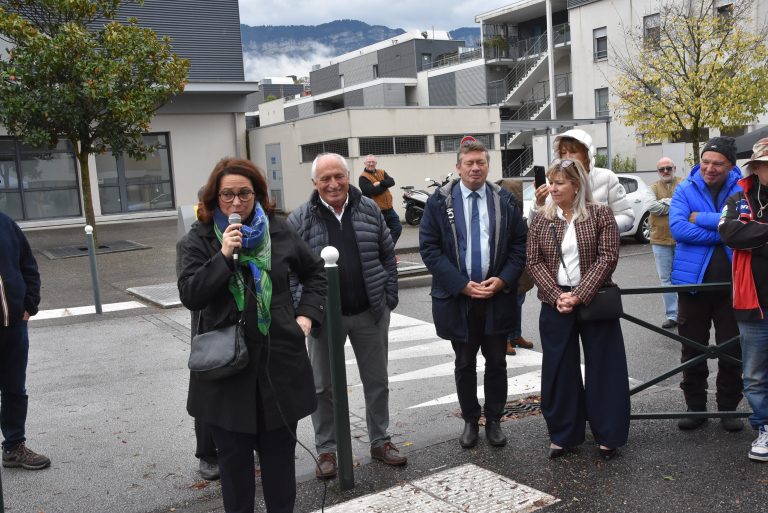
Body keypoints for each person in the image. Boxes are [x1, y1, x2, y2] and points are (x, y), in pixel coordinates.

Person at [178, 158, 326, 513]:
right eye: (227, 194)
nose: (236, 202)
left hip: (278, 364)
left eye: (244, 193)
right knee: (235, 471)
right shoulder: (198, 239)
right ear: (215, 198)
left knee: (279, 468)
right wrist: (225, 255)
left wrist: (306, 316)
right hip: (226, 372)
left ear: (257, 195)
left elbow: (316, 273)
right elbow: (191, 294)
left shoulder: (279, 231)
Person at [288, 152, 405, 480]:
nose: (333, 183)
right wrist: (306, 311)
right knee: (323, 386)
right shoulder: (300, 219)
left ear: (348, 176)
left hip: (370, 311)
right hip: (324, 319)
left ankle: (380, 440)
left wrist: (388, 298)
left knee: (377, 381)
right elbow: (290, 273)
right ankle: (327, 449)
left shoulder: (368, 208)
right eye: (325, 178)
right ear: (315, 183)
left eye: (338, 175)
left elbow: (386, 254)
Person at [420, 138, 527, 449]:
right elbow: (429, 248)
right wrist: (460, 284)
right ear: (458, 167)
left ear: (488, 166)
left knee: (497, 362)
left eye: (481, 162)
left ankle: (494, 421)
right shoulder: (439, 202)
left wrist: (504, 280)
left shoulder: (505, 200)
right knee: (464, 363)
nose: (476, 167)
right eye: (469, 163)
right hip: (458, 299)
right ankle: (470, 420)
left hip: (497, 297)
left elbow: (519, 245)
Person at [526, 158, 629, 460]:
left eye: (559, 182)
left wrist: (579, 294)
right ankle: (564, 434)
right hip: (554, 301)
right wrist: (557, 295)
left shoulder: (600, 214)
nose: (552, 188)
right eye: (551, 181)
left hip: (594, 300)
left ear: (576, 184)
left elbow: (608, 257)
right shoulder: (541, 218)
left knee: (604, 367)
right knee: (559, 370)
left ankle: (608, 434)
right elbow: (533, 261)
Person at [670, 136, 743, 432]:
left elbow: (745, 224)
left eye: (718, 163)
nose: (710, 168)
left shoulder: (742, 188)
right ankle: (695, 407)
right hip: (692, 285)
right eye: (705, 162)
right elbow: (678, 228)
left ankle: (728, 409)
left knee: (733, 350)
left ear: (730, 166)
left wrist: (701, 218)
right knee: (692, 348)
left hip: (734, 285)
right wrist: (725, 231)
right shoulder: (684, 188)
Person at [718, 137, 768, 461]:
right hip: (753, 304)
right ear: (756, 167)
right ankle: (764, 427)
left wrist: (755, 233)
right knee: (754, 374)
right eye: (764, 164)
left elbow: (743, 235)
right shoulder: (739, 197)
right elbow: (728, 233)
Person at [0, 213, 50, 471]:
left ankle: (13, 447)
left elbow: (28, 264)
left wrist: (30, 303)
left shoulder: (6, 224)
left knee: (14, 389)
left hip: (13, 326)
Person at [177, 187, 220, 481]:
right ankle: (207, 454)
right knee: (207, 394)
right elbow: (191, 290)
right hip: (207, 329)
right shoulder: (190, 242)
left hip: (243, 326)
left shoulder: (248, 233)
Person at [532, 128, 634, 234]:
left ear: (586, 155)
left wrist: (599, 229)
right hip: (559, 248)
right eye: (563, 152)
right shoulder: (552, 183)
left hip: (597, 248)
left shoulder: (606, 178)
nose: (567, 157)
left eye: (573, 152)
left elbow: (627, 217)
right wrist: (539, 203)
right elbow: (533, 227)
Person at [495, 178, 536, 355]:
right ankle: (503, 339)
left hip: (518, 267)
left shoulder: (519, 216)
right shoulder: (496, 215)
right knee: (505, 305)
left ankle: (515, 335)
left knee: (518, 301)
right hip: (504, 270)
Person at [645, 157, 684, 329]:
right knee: (665, 279)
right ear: (658, 171)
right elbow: (652, 207)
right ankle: (672, 314)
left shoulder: (684, 184)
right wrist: (675, 204)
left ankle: (686, 312)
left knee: (683, 279)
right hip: (660, 240)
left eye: (669, 168)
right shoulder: (652, 187)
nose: (666, 171)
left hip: (683, 239)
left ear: (674, 168)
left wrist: (665, 203)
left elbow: (687, 205)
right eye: (662, 169)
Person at [359, 154, 403, 245]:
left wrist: (380, 183)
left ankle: (389, 247)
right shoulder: (363, 177)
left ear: (376, 163)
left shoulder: (382, 172)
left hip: (389, 209)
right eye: (369, 162)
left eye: (373, 162)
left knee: (397, 228)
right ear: (365, 163)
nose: (371, 164)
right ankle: (382, 251)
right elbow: (373, 191)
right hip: (376, 211)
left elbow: (392, 181)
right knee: (379, 234)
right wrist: (385, 185)